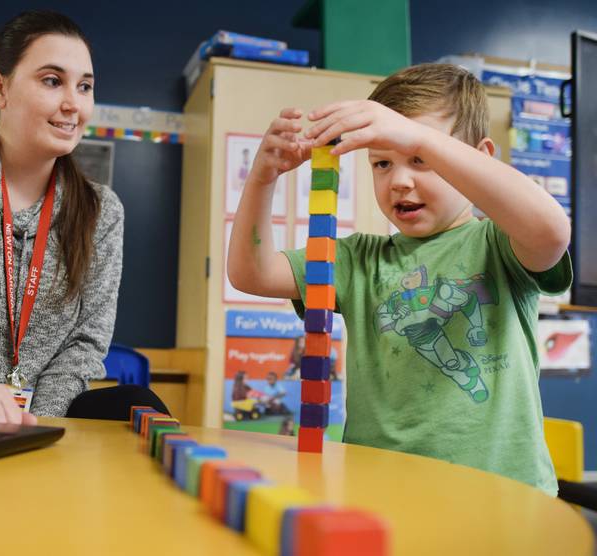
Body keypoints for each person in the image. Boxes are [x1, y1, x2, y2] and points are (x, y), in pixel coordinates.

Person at [227, 63, 571, 496]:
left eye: (421, 160)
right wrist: (262, 178)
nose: (400, 181)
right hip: (382, 494)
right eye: (382, 163)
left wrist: (417, 136)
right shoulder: (360, 259)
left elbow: (551, 230)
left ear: (477, 157)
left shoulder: (501, 243)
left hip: (502, 499)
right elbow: (251, 273)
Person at [0, 10, 166, 425]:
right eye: (52, 81)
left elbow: (84, 345)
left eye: (85, 86)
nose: (73, 104)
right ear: (0, 89)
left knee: (137, 401)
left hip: (36, 425)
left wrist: (35, 429)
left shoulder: (101, 210)